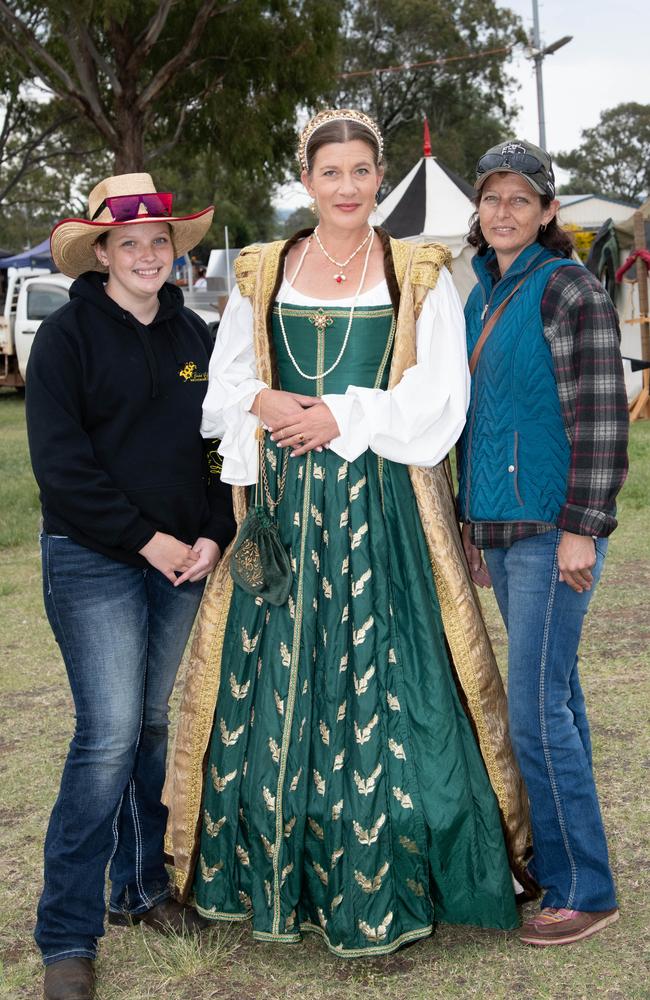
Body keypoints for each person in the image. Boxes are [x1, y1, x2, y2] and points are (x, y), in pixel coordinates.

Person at [163, 109, 533, 959]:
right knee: (280, 676)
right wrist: (264, 402)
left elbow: (441, 399)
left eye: (361, 171)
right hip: (287, 505)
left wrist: (342, 414)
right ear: (308, 180)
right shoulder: (263, 271)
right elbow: (223, 387)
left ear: (379, 177)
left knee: (389, 672)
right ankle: (270, 870)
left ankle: (410, 868)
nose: (346, 187)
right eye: (330, 173)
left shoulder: (418, 270)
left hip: (382, 502)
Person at [26, 173, 236, 1000]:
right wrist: (147, 540)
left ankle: (142, 890)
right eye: (130, 243)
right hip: (93, 559)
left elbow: (225, 449)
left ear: (174, 253)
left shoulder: (199, 337)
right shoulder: (68, 339)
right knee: (107, 734)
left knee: (154, 727)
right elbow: (61, 469)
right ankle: (65, 937)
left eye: (161, 241)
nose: (149, 254)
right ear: (102, 253)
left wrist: (215, 531)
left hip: (186, 558)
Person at [457, 140, 629, 947]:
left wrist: (580, 530)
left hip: (551, 534)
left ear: (549, 212)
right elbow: (473, 421)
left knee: (534, 713)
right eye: (492, 198)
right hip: (502, 531)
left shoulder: (570, 289)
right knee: (554, 702)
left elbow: (600, 418)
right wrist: (470, 525)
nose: (504, 212)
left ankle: (582, 889)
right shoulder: (479, 293)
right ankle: (571, 867)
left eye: (520, 199)